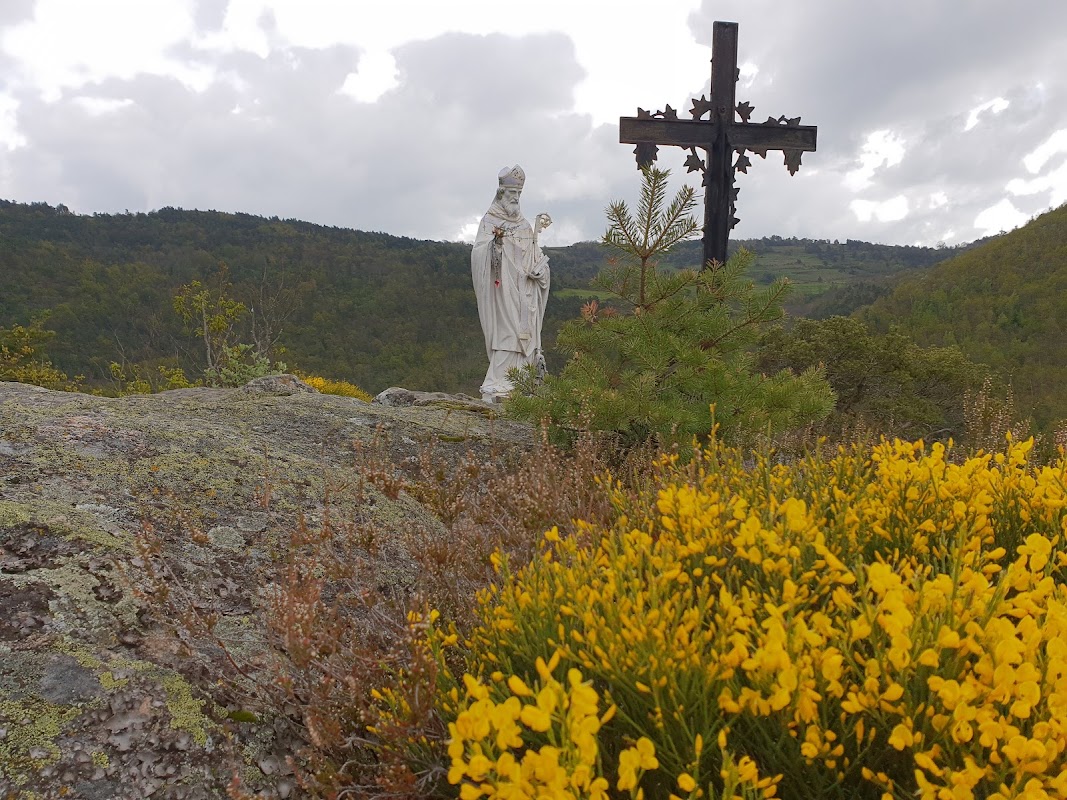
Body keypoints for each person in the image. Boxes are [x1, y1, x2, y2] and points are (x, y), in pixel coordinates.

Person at [471, 165, 551, 402]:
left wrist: (541, 271)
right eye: (511, 194)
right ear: (500, 194)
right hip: (502, 293)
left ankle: (525, 384)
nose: (515, 199)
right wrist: (494, 247)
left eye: (518, 195)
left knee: (525, 335)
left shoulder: (526, 227)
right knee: (507, 334)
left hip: (526, 294)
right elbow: (478, 255)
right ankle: (499, 384)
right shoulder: (489, 222)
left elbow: (537, 258)